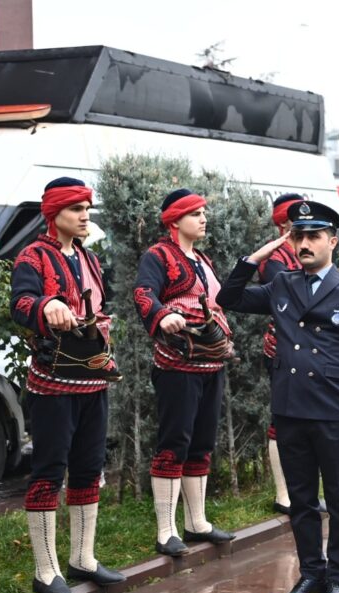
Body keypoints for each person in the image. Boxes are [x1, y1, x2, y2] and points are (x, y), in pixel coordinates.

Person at [217, 200, 339, 593]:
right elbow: (228, 297)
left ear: (332, 241)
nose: (304, 244)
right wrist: (259, 255)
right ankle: (311, 574)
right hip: (290, 410)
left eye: (313, 236)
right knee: (302, 501)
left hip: (335, 411)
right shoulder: (283, 285)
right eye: (298, 236)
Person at [10, 177, 125, 593]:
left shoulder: (89, 258)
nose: (85, 215)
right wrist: (46, 305)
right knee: (48, 469)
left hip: (93, 378)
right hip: (53, 384)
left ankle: (83, 558)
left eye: (87, 208)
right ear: (53, 212)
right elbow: (19, 304)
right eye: (76, 208)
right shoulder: (33, 256)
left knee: (89, 466)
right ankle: (45, 570)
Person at [134, 188, 235, 557]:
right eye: (195, 213)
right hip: (177, 365)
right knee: (175, 441)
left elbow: (216, 302)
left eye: (204, 212)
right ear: (174, 220)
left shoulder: (203, 259)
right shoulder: (158, 256)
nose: (203, 219)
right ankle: (165, 531)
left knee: (202, 441)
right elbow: (144, 294)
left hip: (212, 363)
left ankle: (197, 522)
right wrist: (163, 315)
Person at [258, 193, 328, 515]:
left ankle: (307, 490)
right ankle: (283, 493)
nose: (305, 236)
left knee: (312, 420)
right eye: (298, 225)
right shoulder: (274, 260)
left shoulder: (307, 255)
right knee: (282, 422)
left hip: (316, 352)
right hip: (283, 351)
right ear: (284, 224)